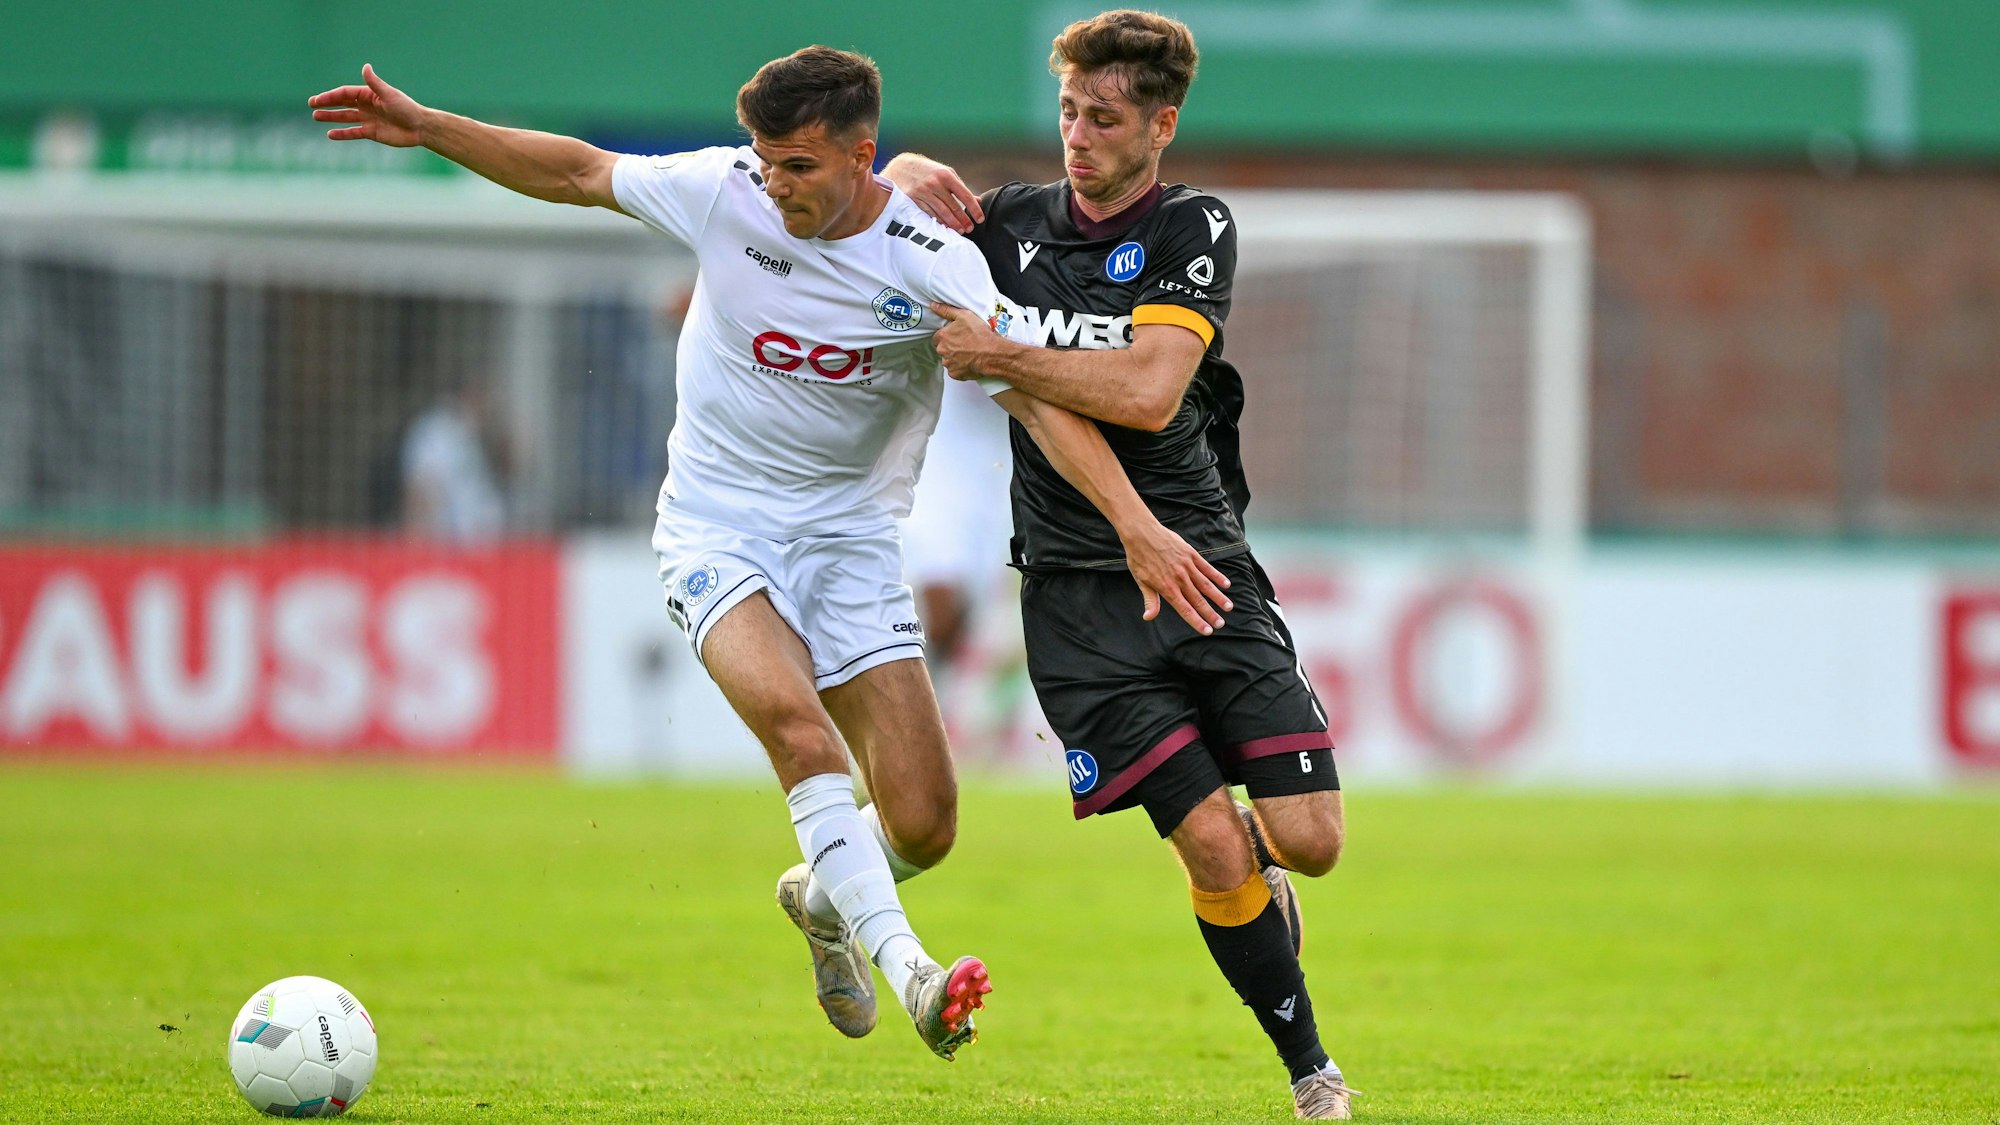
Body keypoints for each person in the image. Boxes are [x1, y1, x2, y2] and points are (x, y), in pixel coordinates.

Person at [308, 47, 1231, 1061]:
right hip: (714, 527)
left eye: (797, 165)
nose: (773, 182)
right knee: (800, 738)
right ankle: (915, 972)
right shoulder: (723, 191)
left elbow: (1036, 400)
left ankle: (825, 901)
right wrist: (432, 126)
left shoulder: (930, 265)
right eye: (764, 158)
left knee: (924, 823)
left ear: (860, 157)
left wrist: (1137, 529)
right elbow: (575, 171)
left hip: (849, 545)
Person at [885, 10, 1358, 1116]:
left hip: (1198, 569)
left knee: (1310, 842)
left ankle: (1259, 873)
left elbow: (1146, 393)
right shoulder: (1004, 227)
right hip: (1074, 598)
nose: (1076, 136)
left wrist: (1005, 350)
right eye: (1066, 112)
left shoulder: (1195, 225)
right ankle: (1311, 1075)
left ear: (1160, 125)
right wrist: (906, 169)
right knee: (1205, 848)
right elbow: (880, 206)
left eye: (1102, 118)